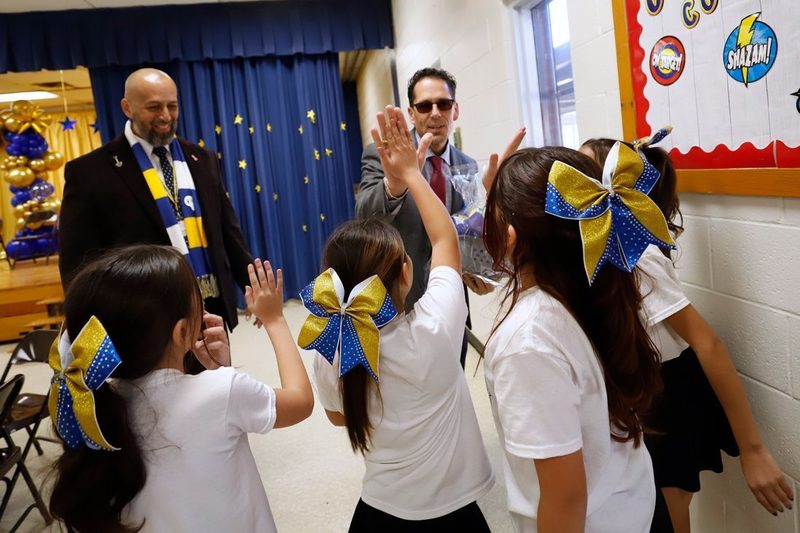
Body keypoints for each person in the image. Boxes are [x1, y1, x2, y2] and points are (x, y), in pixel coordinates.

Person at [580, 135, 794, 533]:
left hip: (669, 396)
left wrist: (753, 449)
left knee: (668, 514)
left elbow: (707, 341)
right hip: (635, 391)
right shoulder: (597, 246)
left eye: (584, 171)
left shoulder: (638, 257)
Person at [309, 107, 494, 531]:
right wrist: (411, 174)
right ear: (408, 273)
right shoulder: (436, 327)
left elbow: (338, 416)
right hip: (454, 512)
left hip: (378, 512)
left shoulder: (327, 344)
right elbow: (445, 236)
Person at [482, 144, 679, 533]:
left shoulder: (527, 344)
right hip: (636, 504)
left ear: (509, 237)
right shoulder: (597, 284)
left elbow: (565, 499)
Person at [47, 245, 314, 532]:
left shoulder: (100, 406)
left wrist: (217, 371)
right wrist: (275, 319)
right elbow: (301, 401)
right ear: (183, 331)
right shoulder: (224, 391)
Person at [58, 68, 253, 332]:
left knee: (218, 375)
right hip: (144, 321)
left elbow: (228, 233)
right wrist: (87, 324)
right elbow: (76, 263)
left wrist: (252, 286)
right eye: (153, 107)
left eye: (172, 106)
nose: (165, 116)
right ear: (127, 108)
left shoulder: (202, 159)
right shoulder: (90, 172)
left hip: (211, 311)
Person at [355, 68, 489, 366]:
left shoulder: (467, 166)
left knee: (453, 371)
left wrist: (481, 270)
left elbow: (466, 232)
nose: (435, 113)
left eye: (443, 104)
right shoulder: (382, 154)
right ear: (411, 113)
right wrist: (396, 184)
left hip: (453, 298)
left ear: (456, 109)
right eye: (425, 106)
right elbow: (363, 214)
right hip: (399, 297)